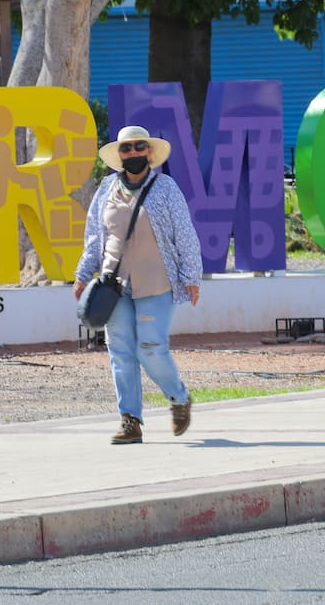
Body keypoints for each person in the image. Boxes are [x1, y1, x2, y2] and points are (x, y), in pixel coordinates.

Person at [73, 125, 202, 444]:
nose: (132, 153)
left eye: (138, 147)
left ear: (149, 152)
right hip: (113, 285)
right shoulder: (106, 190)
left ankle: (179, 397)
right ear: (119, 155)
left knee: (150, 347)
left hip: (156, 284)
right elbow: (94, 236)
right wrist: (82, 273)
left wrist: (191, 277)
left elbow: (184, 235)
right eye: (126, 149)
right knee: (121, 352)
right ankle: (130, 420)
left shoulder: (166, 188)